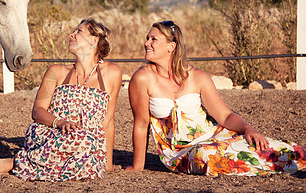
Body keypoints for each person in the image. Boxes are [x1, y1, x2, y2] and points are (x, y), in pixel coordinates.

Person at [125, 20, 305, 176]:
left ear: (171, 46)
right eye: (148, 38)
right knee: (206, 155)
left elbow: (225, 116)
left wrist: (248, 129)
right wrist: (138, 166)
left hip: (216, 137)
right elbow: (141, 124)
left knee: (280, 150)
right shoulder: (142, 79)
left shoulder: (197, 76)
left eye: (153, 39)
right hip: (182, 153)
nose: (147, 43)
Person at [0, 18, 122, 181]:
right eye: (74, 31)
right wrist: (61, 123)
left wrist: (108, 162)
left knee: (88, 158)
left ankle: (25, 164)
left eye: (79, 31)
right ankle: (18, 162)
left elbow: (108, 121)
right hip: (51, 133)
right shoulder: (56, 71)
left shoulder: (112, 73)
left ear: (94, 40)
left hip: (86, 142)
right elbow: (37, 111)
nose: (71, 35)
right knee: (81, 145)